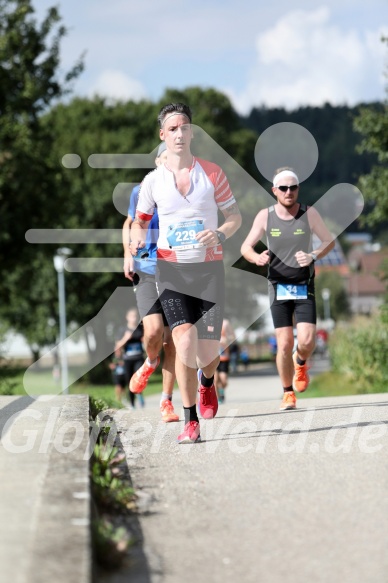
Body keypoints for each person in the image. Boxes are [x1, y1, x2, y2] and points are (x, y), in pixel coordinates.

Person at [130, 102, 241, 443]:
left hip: (208, 271)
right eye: (173, 129)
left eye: (185, 127)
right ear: (163, 135)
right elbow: (139, 221)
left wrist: (220, 233)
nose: (180, 133)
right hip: (171, 271)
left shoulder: (212, 174)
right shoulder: (152, 183)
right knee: (183, 339)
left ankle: (208, 382)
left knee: (208, 355)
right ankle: (189, 421)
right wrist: (136, 237)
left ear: (192, 132)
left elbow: (235, 217)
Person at [241, 167, 335, 410]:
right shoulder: (265, 216)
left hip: (304, 284)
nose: (288, 192)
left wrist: (313, 255)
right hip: (278, 286)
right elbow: (246, 247)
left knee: (306, 340)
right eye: (283, 188)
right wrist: (255, 258)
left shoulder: (309, 213)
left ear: (298, 189)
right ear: (274, 191)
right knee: (283, 344)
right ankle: (287, 392)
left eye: (293, 187)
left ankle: (301, 363)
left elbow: (329, 240)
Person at [122, 143, 178, 423]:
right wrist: (126, 255)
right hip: (146, 269)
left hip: (176, 270)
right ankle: (150, 362)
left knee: (173, 341)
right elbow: (129, 222)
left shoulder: (184, 193)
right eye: (167, 160)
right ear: (158, 160)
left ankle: (166, 402)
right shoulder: (142, 190)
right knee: (153, 332)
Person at [115, 307, 145, 409]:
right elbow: (117, 346)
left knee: (139, 377)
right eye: (132, 316)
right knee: (129, 382)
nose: (134, 318)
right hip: (127, 359)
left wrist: (145, 340)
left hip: (139, 358)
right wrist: (125, 338)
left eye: (136, 316)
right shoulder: (123, 330)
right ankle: (132, 404)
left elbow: (147, 342)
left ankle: (139, 394)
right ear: (127, 317)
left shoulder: (141, 328)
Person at [214, 318, 236, 403]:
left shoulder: (225, 323)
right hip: (212, 357)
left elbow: (233, 336)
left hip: (223, 356)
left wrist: (227, 339)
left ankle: (221, 389)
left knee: (223, 380)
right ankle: (218, 398)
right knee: (215, 379)